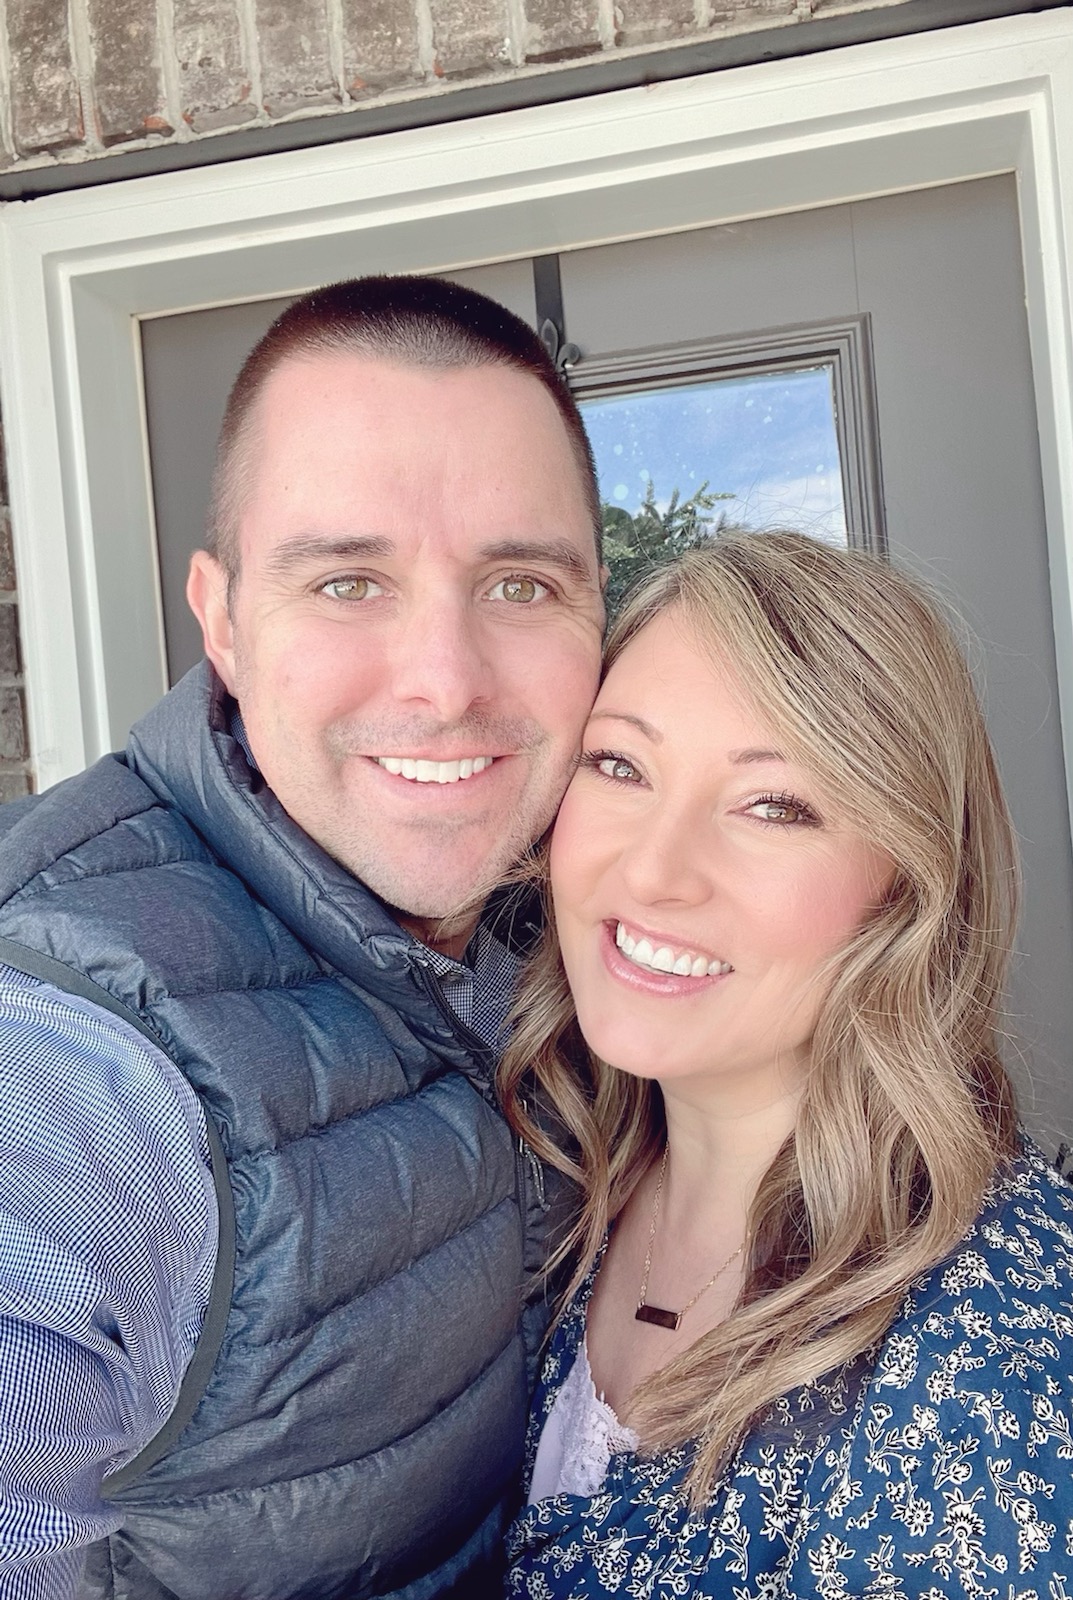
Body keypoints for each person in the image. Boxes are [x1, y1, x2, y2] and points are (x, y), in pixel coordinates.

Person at [0, 276, 606, 1599]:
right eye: (348, 581)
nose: (446, 682)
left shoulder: (578, 904)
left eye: (518, 582)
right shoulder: (66, 1065)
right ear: (220, 621)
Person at [501, 531, 1073, 1597]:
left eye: (773, 804)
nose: (653, 869)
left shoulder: (987, 1367)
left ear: (905, 885)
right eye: (619, 764)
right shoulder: (545, 1173)